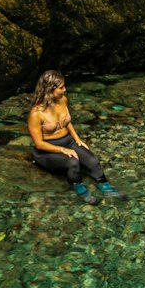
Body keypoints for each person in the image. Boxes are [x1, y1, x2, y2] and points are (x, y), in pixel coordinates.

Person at [27, 70, 123, 204]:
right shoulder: (36, 113)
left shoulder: (63, 100)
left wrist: (77, 140)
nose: (64, 90)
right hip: (47, 151)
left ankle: (106, 187)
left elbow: (68, 122)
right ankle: (80, 189)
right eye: (61, 87)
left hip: (68, 142)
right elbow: (39, 144)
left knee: (92, 160)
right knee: (73, 163)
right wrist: (63, 150)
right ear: (49, 89)